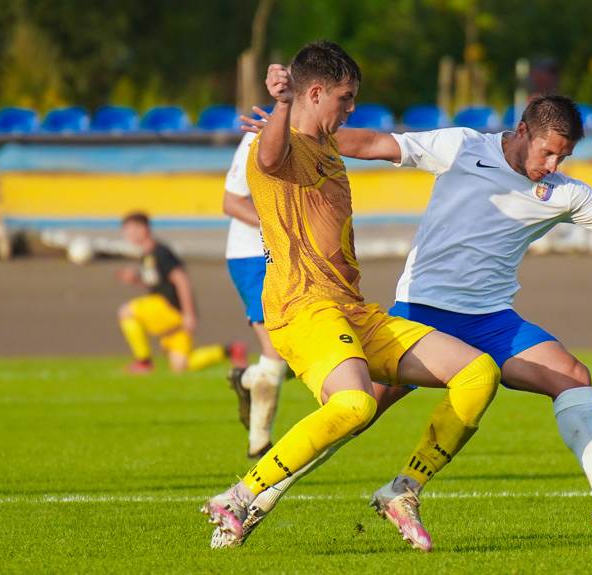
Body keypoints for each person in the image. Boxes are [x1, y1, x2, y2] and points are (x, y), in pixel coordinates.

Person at [235, 95, 592, 540]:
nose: (554, 165)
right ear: (523, 132)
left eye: (565, 156)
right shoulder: (464, 146)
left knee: (572, 376)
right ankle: (258, 498)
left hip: (490, 319)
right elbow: (375, 144)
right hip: (422, 311)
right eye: (549, 152)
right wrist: (299, 136)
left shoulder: (563, 193)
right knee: (357, 411)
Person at [200, 41, 501, 554]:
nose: (352, 106)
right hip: (303, 308)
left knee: (479, 374)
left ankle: (403, 491)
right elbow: (269, 158)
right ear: (315, 92)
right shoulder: (279, 143)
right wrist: (282, 102)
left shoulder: (330, 145)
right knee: (356, 404)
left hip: (352, 308)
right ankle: (240, 494)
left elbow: (383, 142)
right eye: (346, 96)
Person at [223, 130, 290, 459]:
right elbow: (232, 201)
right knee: (276, 350)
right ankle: (259, 442)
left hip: (296, 255)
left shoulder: (320, 135)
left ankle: (248, 378)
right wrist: (274, 227)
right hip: (252, 256)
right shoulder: (258, 135)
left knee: (299, 349)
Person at [116, 212, 248, 374]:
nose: (127, 235)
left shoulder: (160, 252)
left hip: (173, 309)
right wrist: (136, 280)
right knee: (181, 365)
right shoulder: (147, 255)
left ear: (143, 228)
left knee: (126, 311)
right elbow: (158, 286)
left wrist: (189, 314)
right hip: (175, 312)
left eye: (129, 229)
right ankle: (230, 350)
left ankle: (143, 361)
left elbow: (181, 280)